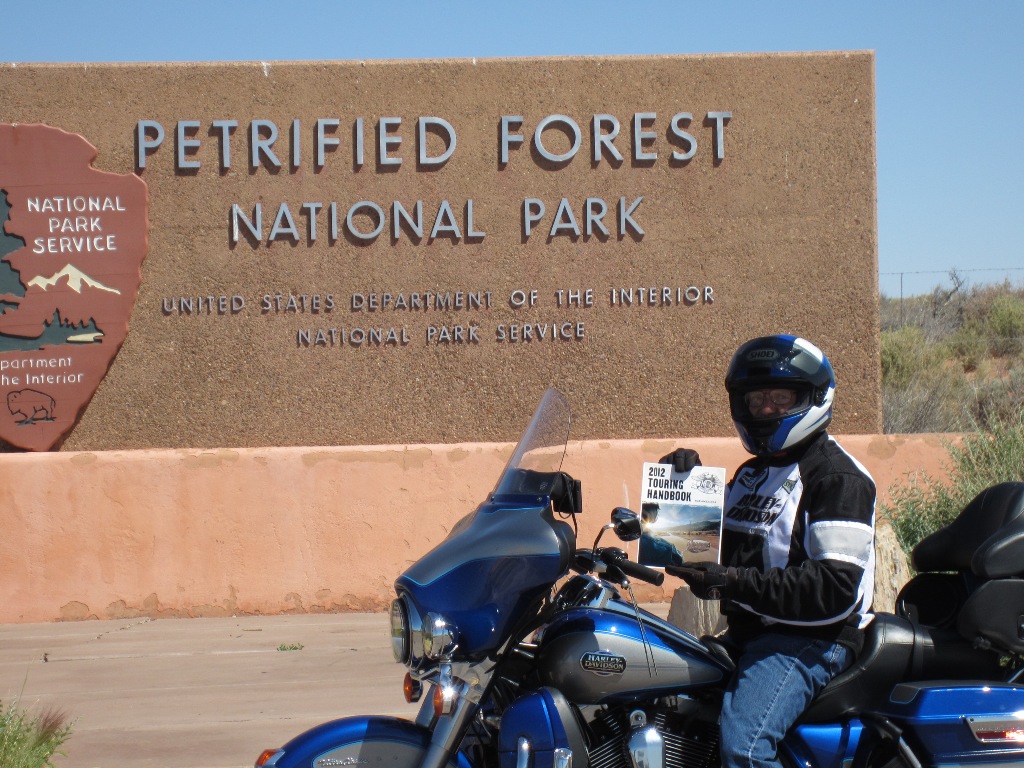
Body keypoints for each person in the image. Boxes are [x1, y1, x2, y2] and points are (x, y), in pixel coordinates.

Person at [661, 334, 876, 768]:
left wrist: (732, 584)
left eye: (781, 397)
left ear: (813, 397)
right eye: (757, 399)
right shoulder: (751, 475)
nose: (766, 409)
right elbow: (703, 549)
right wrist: (681, 490)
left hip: (810, 642)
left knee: (745, 748)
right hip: (750, 634)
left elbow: (833, 590)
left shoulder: (837, 478)